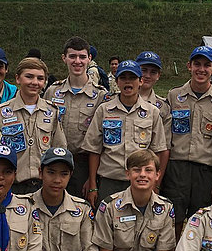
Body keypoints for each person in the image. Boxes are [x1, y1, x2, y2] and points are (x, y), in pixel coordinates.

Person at [162, 45, 212, 229]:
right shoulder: (175, 96)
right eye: (197, 64)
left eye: (207, 65)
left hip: (205, 170)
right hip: (177, 168)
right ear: (189, 66)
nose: (201, 69)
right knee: (173, 218)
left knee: (200, 220)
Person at [82, 60, 168, 204]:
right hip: (110, 180)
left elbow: (158, 150)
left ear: (140, 81)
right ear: (117, 81)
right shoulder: (104, 110)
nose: (128, 82)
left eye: (132, 78)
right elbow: (94, 150)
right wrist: (92, 185)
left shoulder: (152, 112)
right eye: (123, 78)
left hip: (140, 180)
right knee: (107, 222)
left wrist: (155, 183)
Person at [44, 36, 107, 197]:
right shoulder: (52, 91)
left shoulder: (100, 95)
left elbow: (101, 139)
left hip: (84, 165)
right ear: (64, 58)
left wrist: (92, 179)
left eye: (82, 57)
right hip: (55, 161)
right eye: (72, 56)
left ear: (89, 59)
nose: (77, 61)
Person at [0, 56, 66, 194]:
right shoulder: (2, 112)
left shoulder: (51, 111)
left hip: (44, 186)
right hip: (13, 185)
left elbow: (59, 148)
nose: (35, 82)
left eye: (40, 78)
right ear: (18, 79)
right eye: (29, 77)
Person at [136, 50, 172, 146]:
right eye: (143, 70)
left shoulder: (163, 108)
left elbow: (164, 145)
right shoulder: (115, 101)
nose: (147, 76)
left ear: (158, 76)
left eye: (153, 72)